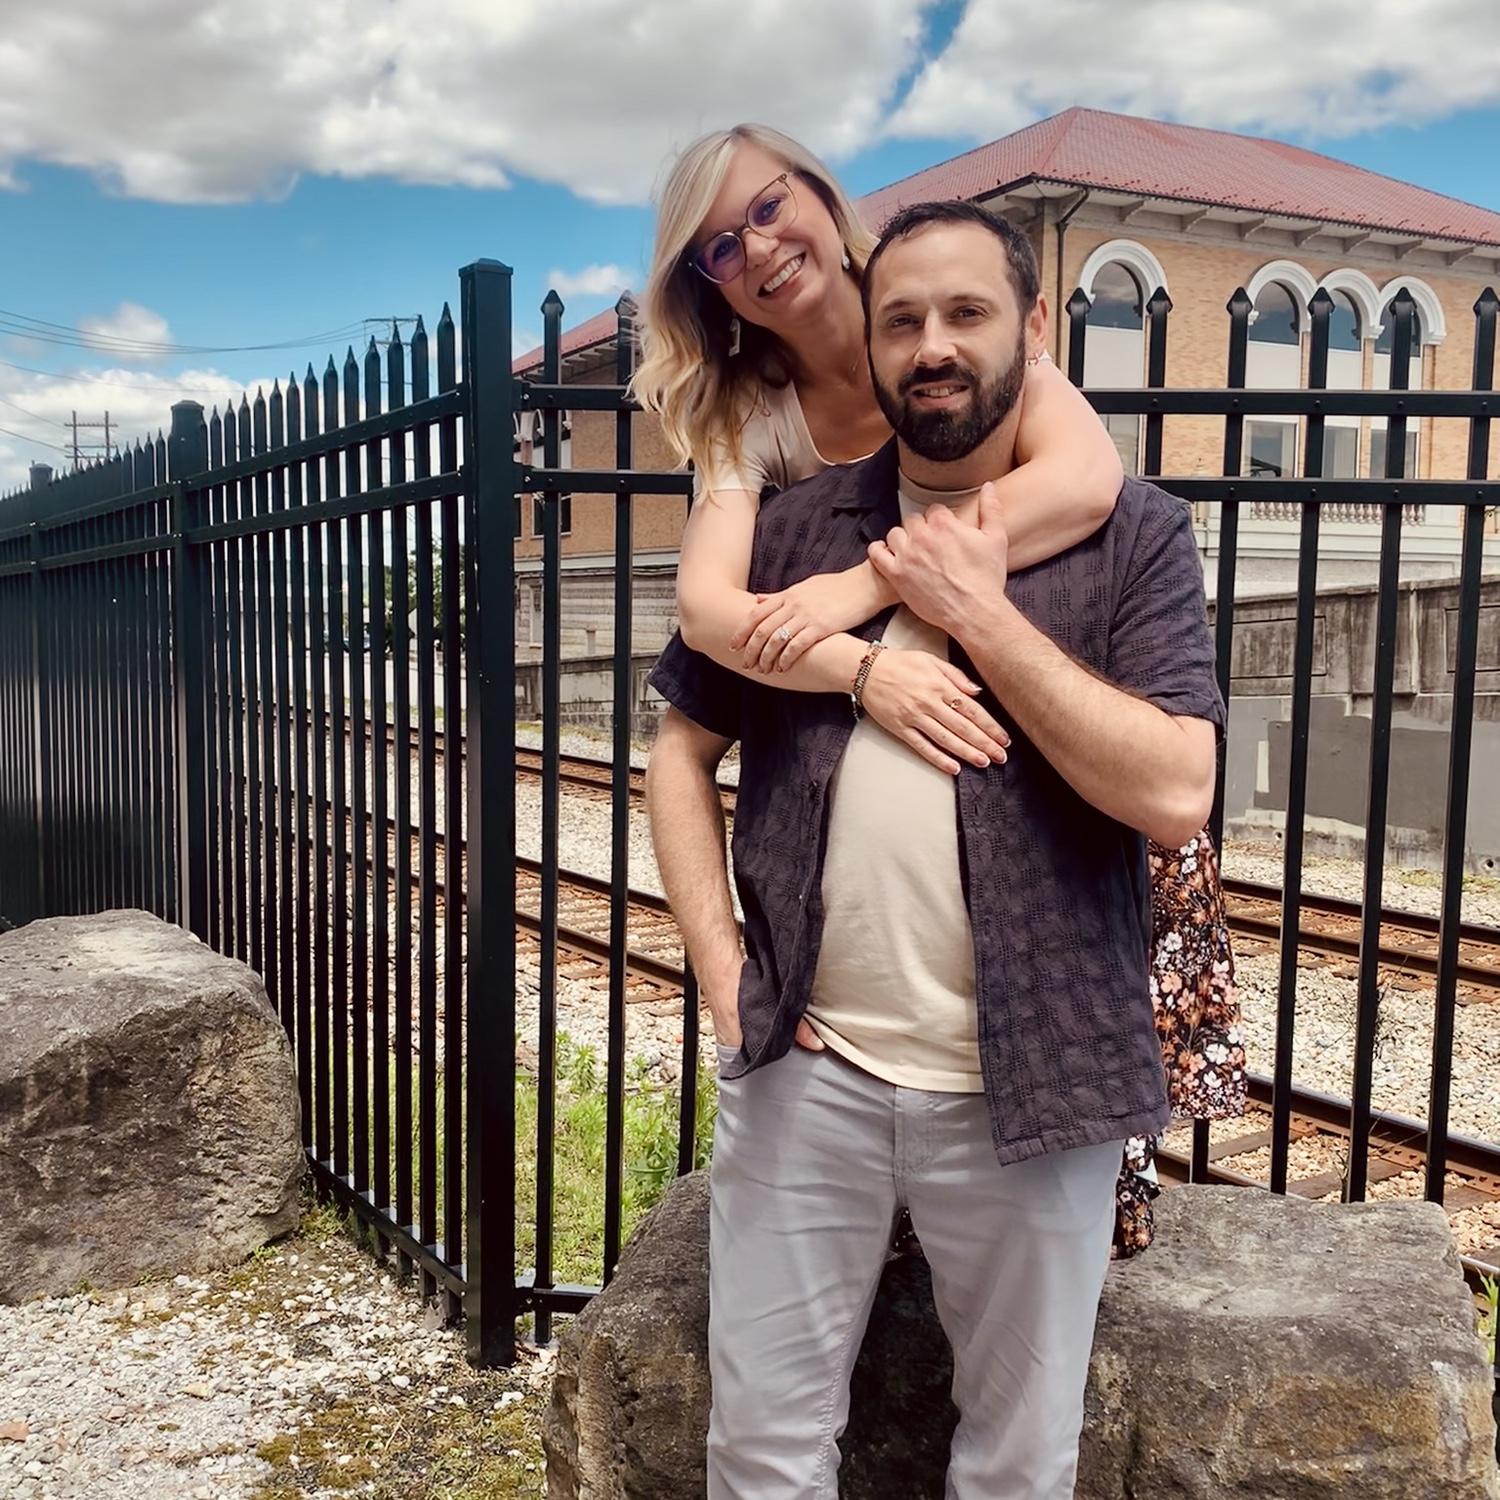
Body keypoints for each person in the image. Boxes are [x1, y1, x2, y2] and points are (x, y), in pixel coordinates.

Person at [644, 197, 1226, 1497]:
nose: (934, 346)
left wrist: (977, 610)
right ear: (873, 343)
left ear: (1032, 327)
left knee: (1018, 1463)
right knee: (761, 1451)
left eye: (967, 312)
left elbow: (1176, 790)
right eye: (902, 320)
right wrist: (725, 974)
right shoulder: (798, 536)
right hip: (807, 1071)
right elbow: (677, 754)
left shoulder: (1135, 535)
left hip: (1040, 1085)